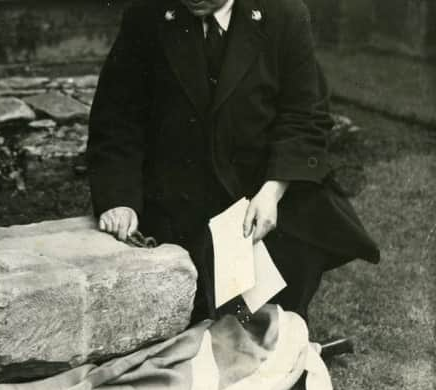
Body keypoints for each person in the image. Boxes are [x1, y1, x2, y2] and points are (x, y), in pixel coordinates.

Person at [86, 0, 380, 324]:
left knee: (264, 321)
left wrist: (272, 192)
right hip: (178, 198)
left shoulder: (283, 14)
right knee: (196, 326)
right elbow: (116, 119)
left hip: (258, 195)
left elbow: (305, 116)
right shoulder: (147, 15)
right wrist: (119, 200)